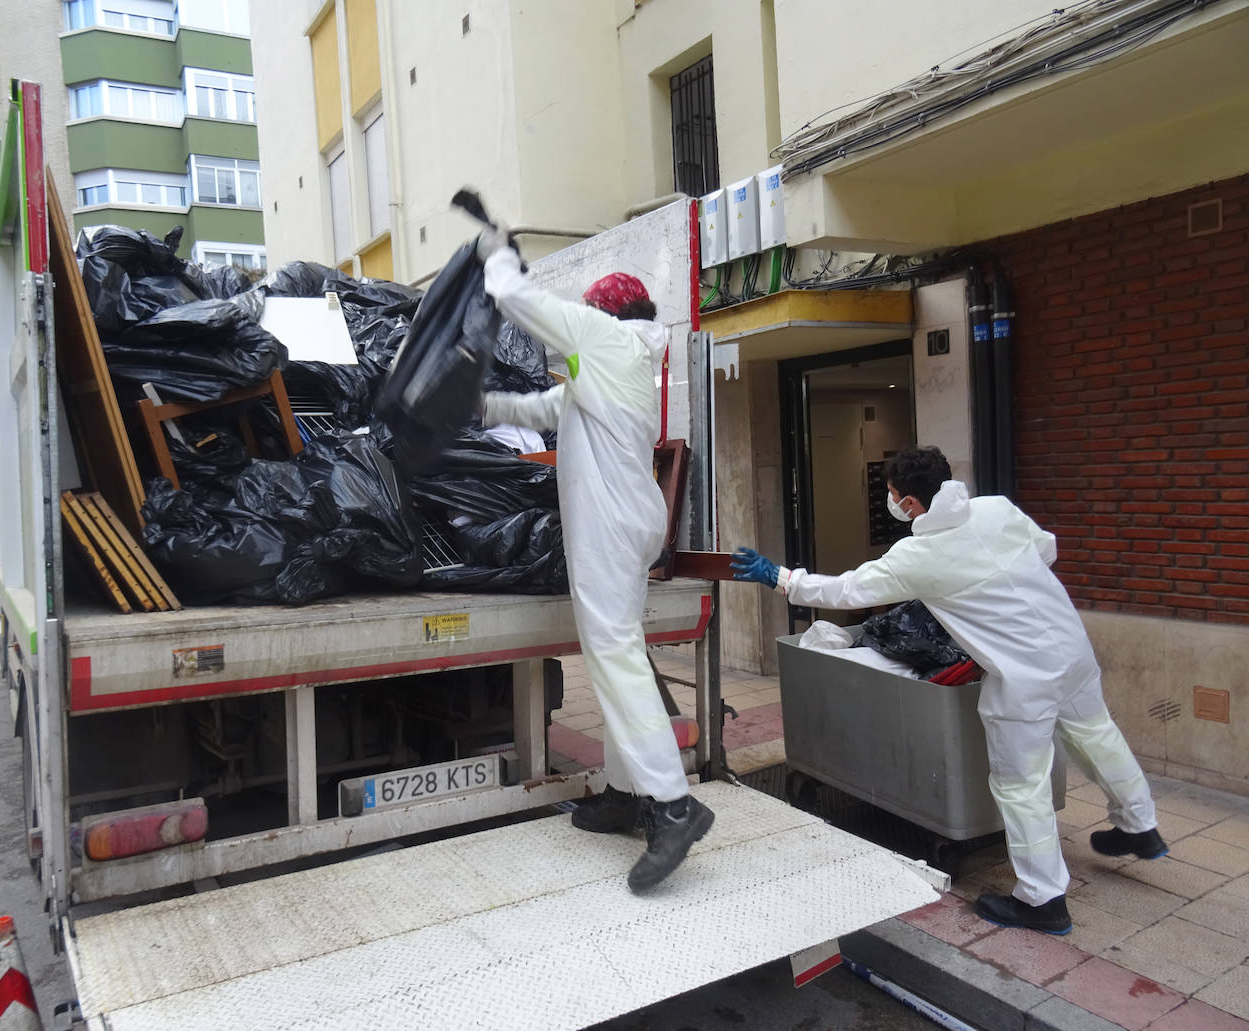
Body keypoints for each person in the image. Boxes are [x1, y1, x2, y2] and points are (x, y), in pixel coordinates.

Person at [731, 446, 1165, 934]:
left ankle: (1043, 899)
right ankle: (1139, 826)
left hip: (1024, 678)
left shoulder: (919, 556)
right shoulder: (995, 508)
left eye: (893, 496)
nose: (892, 503)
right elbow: (1046, 548)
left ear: (911, 503)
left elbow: (849, 591)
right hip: (1070, 649)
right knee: (1096, 732)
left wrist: (782, 578)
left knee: (1021, 786)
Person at [474, 229, 713, 892]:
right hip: (632, 521)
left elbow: (514, 297)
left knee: (614, 656)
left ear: (602, 319)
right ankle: (624, 792)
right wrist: (484, 406)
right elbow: (546, 408)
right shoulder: (613, 365)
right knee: (619, 653)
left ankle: (672, 804)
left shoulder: (604, 342)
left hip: (610, 525)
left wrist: (495, 252)